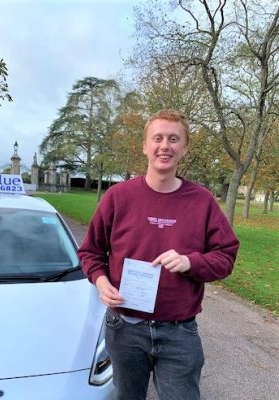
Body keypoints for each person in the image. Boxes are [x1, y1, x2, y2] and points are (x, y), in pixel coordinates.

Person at [77, 109, 240, 400]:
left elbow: (226, 257)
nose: (165, 146)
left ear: (184, 148)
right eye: (158, 138)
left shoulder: (202, 202)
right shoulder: (118, 197)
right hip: (124, 327)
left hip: (179, 333)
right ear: (145, 146)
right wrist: (101, 283)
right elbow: (90, 251)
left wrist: (191, 261)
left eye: (174, 139)